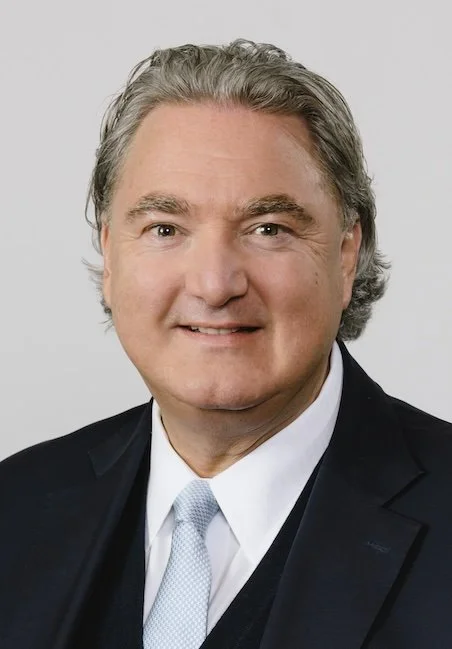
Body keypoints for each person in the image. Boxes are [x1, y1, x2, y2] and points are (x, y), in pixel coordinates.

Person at [0, 39, 451, 649]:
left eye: (268, 229)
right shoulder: (16, 506)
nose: (214, 285)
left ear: (347, 254)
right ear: (109, 253)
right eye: (165, 228)